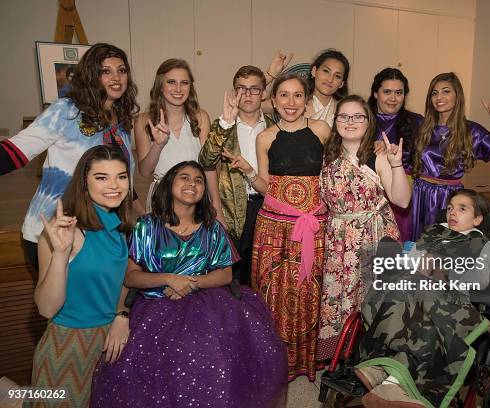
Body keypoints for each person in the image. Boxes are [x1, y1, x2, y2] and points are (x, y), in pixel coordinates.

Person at [91, 161, 288, 407]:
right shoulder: (147, 225)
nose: (192, 183)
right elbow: (131, 276)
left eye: (198, 180)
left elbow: (225, 275)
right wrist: (169, 278)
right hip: (156, 302)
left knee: (211, 354)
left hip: (207, 301)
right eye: (184, 177)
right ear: (169, 184)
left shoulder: (212, 227)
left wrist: (190, 283)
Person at [0, 43, 140, 268]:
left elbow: (123, 183)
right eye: (106, 71)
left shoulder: (121, 121)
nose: (116, 77)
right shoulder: (67, 110)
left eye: (122, 70)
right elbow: (13, 152)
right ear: (91, 76)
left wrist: (143, 219)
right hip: (53, 233)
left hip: (96, 234)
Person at [355, 189, 490, 408]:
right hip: (415, 291)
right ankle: (385, 373)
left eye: (462, 209)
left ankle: (391, 380)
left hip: (451, 300)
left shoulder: (479, 243)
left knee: (422, 323)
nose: (453, 213)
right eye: (450, 208)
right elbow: (413, 260)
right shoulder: (434, 232)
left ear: (477, 219)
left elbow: (480, 280)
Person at [31, 145, 132, 408]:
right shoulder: (65, 231)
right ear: (84, 183)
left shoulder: (118, 226)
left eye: (121, 176)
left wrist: (121, 315)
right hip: (68, 344)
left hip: (108, 342)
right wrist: (62, 254)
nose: (114, 185)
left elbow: (122, 280)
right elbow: (46, 307)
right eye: (102, 177)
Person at [317, 95, 411, 361]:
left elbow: (402, 199)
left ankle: (377, 358)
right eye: (343, 116)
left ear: (368, 121)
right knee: (343, 297)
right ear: (335, 122)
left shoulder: (377, 155)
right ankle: (344, 355)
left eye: (357, 116)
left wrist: (396, 163)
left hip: (375, 234)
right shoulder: (327, 155)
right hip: (339, 239)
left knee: (376, 299)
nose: (350, 122)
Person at [249, 73, 331, 381]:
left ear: (307, 101)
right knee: (274, 293)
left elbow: (332, 173)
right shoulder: (265, 137)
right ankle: (274, 361)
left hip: (313, 227)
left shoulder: (321, 130)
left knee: (310, 289)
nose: (291, 102)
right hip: (274, 227)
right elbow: (265, 185)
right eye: (284, 95)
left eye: (298, 96)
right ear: (273, 101)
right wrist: (247, 172)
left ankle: (305, 361)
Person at [409, 72, 490, 241]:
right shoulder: (422, 127)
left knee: (444, 250)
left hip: (449, 200)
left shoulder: (472, 131)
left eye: (446, 91)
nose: (439, 97)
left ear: (457, 96)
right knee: (417, 248)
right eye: (434, 93)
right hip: (419, 194)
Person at [199, 65, 275, 285]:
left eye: (254, 89)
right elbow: (205, 161)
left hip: (268, 206)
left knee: (264, 271)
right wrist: (225, 122)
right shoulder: (224, 126)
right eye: (241, 89)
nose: (247, 94)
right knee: (233, 276)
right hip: (233, 210)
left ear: (263, 94)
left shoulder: (276, 127)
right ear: (234, 93)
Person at [134, 58, 214, 212]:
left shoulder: (201, 117)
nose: (178, 89)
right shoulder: (143, 120)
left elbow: (209, 166)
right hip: (163, 199)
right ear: (160, 86)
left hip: (195, 196)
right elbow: (145, 172)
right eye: (171, 82)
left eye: (184, 83)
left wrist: (215, 204)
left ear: (190, 87)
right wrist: (158, 145)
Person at [368, 68, 423, 241]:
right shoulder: (362, 119)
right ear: (375, 93)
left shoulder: (417, 122)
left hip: (403, 196)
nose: (393, 98)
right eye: (387, 92)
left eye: (398, 92)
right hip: (368, 195)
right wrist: (367, 147)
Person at [264, 49, 350, 127]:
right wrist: (271, 75)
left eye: (337, 76)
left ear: (342, 83)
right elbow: (254, 104)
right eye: (326, 71)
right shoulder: (294, 104)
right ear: (314, 71)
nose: (330, 79)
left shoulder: (346, 112)